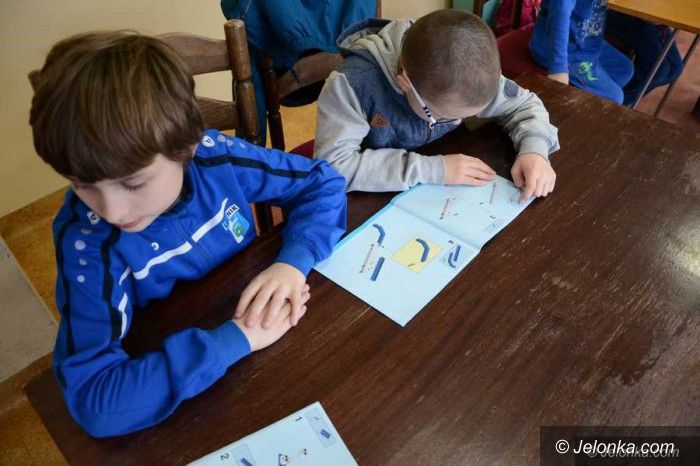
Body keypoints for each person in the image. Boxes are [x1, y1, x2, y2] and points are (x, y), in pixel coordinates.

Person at [29, 31, 347, 437]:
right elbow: (95, 400)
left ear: (189, 146)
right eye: (81, 184)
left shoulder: (216, 156)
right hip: (189, 375)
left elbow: (322, 183)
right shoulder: (87, 243)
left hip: (259, 342)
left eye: (133, 183)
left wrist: (292, 263)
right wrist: (237, 339)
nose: (111, 211)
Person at [315, 9, 559, 203]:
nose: (454, 122)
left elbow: (525, 105)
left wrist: (534, 150)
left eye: (464, 117)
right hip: (368, 196)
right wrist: (433, 169)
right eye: (442, 116)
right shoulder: (352, 85)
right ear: (405, 82)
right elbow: (333, 167)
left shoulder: (467, 73)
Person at [530, 0, 635, 104]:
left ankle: (589, 99)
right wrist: (558, 68)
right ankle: (576, 107)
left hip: (586, 42)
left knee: (624, 70)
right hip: (562, 48)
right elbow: (560, 12)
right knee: (615, 97)